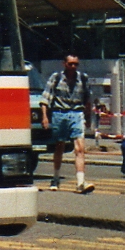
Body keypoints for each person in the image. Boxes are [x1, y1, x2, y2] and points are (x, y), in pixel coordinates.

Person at [40, 54, 94, 194]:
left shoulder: (83, 78)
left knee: (80, 148)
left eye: (76, 64)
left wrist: (88, 118)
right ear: (64, 64)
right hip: (60, 113)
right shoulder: (56, 77)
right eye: (70, 64)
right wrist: (45, 117)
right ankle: (56, 178)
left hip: (76, 113)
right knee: (60, 147)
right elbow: (45, 98)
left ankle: (80, 182)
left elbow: (87, 99)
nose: (73, 67)